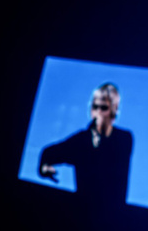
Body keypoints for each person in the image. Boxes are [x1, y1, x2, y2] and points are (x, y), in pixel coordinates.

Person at [38, 82, 134, 216]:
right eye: (95, 107)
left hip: (112, 217)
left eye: (103, 107)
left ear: (114, 109)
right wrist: (44, 169)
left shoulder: (124, 138)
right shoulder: (81, 140)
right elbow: (48, 154)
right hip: (82, 213)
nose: (98, 112)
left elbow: (103, 155)